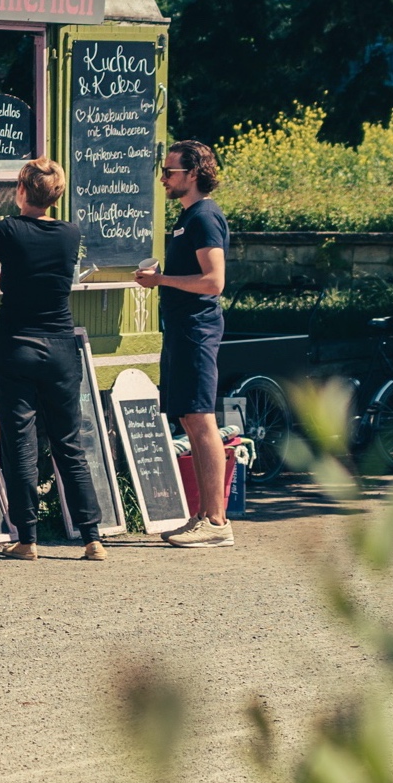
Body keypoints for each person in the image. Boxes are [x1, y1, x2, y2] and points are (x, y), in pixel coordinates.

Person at [0, 157, 107, 560]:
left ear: (21, 190)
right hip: (60, 346)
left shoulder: (6, 230)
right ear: (56, 195)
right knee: (68, 441)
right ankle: (92, 538)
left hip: (16, 344)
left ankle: (27, 540)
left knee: (20, 442)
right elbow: (37, 275)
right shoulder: (70, 233)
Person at [136, 139, 232, 547]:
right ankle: (204, 516)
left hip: (197, 328)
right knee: (190, 419)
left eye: (169, 171)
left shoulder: (204, 217)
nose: (163, 178)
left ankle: (217, 523)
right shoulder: (188, 217)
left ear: (193, 173)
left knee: (201, 417)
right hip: (182, 327)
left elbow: (213, 281)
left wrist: (160, 280)